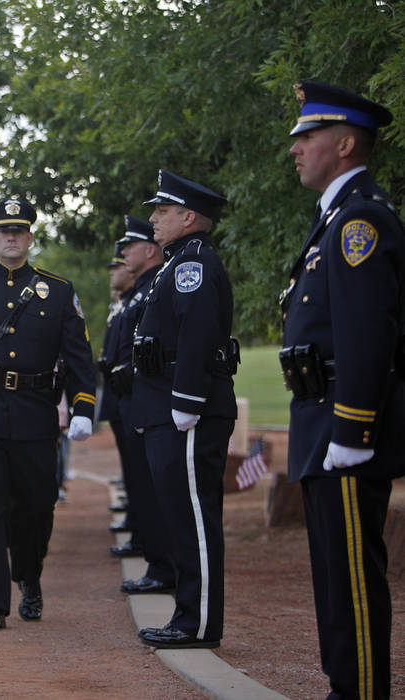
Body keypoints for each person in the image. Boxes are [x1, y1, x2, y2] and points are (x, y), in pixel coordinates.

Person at [280, 81, 403, 700]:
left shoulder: (360, 221)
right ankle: (344, 687)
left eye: (308, 136)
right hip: (320, 421)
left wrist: (353, 430)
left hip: (342, 428)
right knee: (333, 574)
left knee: (353, 577)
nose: (295, 148)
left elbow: (365, 334)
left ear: (346, 143)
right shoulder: (334, 218)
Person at [0, 198, 96, 631]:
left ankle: (29, 576)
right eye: (3, 231)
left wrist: (82, 405)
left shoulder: (59, 289)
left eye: (19, 231)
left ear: (29, 238)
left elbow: (79, 356)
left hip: (35, 411)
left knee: (36, 505)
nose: (11, 237)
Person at [131, 170, 236, 650]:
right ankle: (187, 617)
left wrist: (187, 402)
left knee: (194, 519)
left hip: (186, 409)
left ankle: (197, 624)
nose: (154, 218)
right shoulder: (176, 264)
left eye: (162, 210)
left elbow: (195, 335)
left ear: (188, 216)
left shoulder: (193, 264)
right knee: (179, 516)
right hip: (166, 408)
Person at [111, 217, 175, 594]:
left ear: (149, 249)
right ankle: (157, 561)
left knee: (152, 489)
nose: (123, 254)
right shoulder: (139, 291)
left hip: (145, 399)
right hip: (131, 399)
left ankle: (162, 567)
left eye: (129, 246)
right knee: (141, 484)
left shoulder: (155, 285)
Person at [96, 241, 136, 550]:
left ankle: (139, 529)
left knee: (138, 470)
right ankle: (136, 522)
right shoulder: (120, 305)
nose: (113, 273)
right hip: (118, 395)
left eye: (117, 267)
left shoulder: (132, 302)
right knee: (131, 468)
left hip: (130, 396)